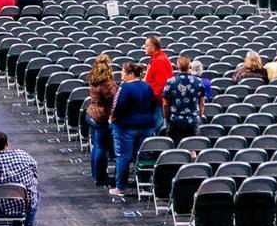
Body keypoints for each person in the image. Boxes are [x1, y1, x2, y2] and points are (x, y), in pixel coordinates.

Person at [108, 62, 160, 197]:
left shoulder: (124, 88)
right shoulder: (147, 86)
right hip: (145, 126)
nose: (121, 74)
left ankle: (120, 188)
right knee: (142, 156)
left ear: (131, 74)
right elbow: (154, 104)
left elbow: (117, 106)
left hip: (126, 127)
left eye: (124, 72)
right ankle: (143, 187)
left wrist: (112, 118)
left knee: (123, 156)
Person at [85, 56, 118, 189]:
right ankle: (100, 177)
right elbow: (116, 95)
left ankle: (95, 175)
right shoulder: (107, 85)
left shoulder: (93, 78)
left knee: (96, 147)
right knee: (101, 149)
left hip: (91, 113)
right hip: (101, 117)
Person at [164, 58, 210, 140]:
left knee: (174, 147)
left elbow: (165, 104)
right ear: (189, 66)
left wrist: (167, 118)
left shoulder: (171, 82)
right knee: (191, 146)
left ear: (178, 67)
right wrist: (199, 118)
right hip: (192, 119)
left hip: (175, 119)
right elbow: (202, 103)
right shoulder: (199, 81)